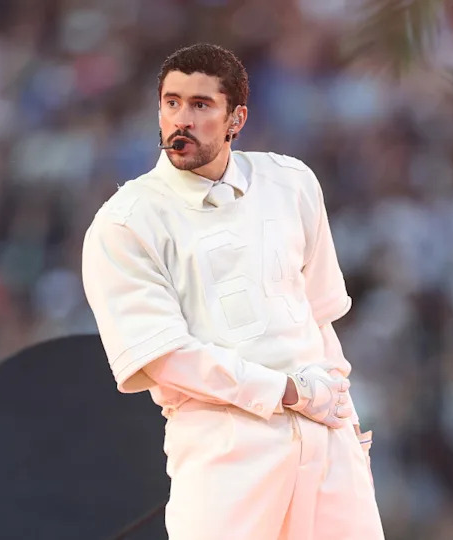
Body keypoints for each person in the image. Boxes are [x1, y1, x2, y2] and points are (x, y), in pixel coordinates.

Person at [81, 43, 385, 540]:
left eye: (201, 105)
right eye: (171, 102)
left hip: (325, 440)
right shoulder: (125, 222)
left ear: (235, 118)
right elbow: (164, 357)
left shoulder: (292, 182)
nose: (181, 118)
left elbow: (319, 315)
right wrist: (286, 392)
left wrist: (343, 419)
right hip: (224, 449)